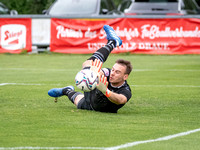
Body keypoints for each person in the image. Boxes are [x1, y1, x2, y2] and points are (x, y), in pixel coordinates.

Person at [48, 25, 133, 113]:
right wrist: (94, 72)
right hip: (92, 93)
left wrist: (106, 91)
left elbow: (121, 100)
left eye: (117, 72)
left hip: (93, 106)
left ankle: (66, 90)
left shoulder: (125, 90)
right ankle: (112, 42)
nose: (113, 73)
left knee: (77, 99)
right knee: (88, 66)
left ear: (125, 77)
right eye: (113, 70)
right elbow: (100, 72)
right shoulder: (108, 72)